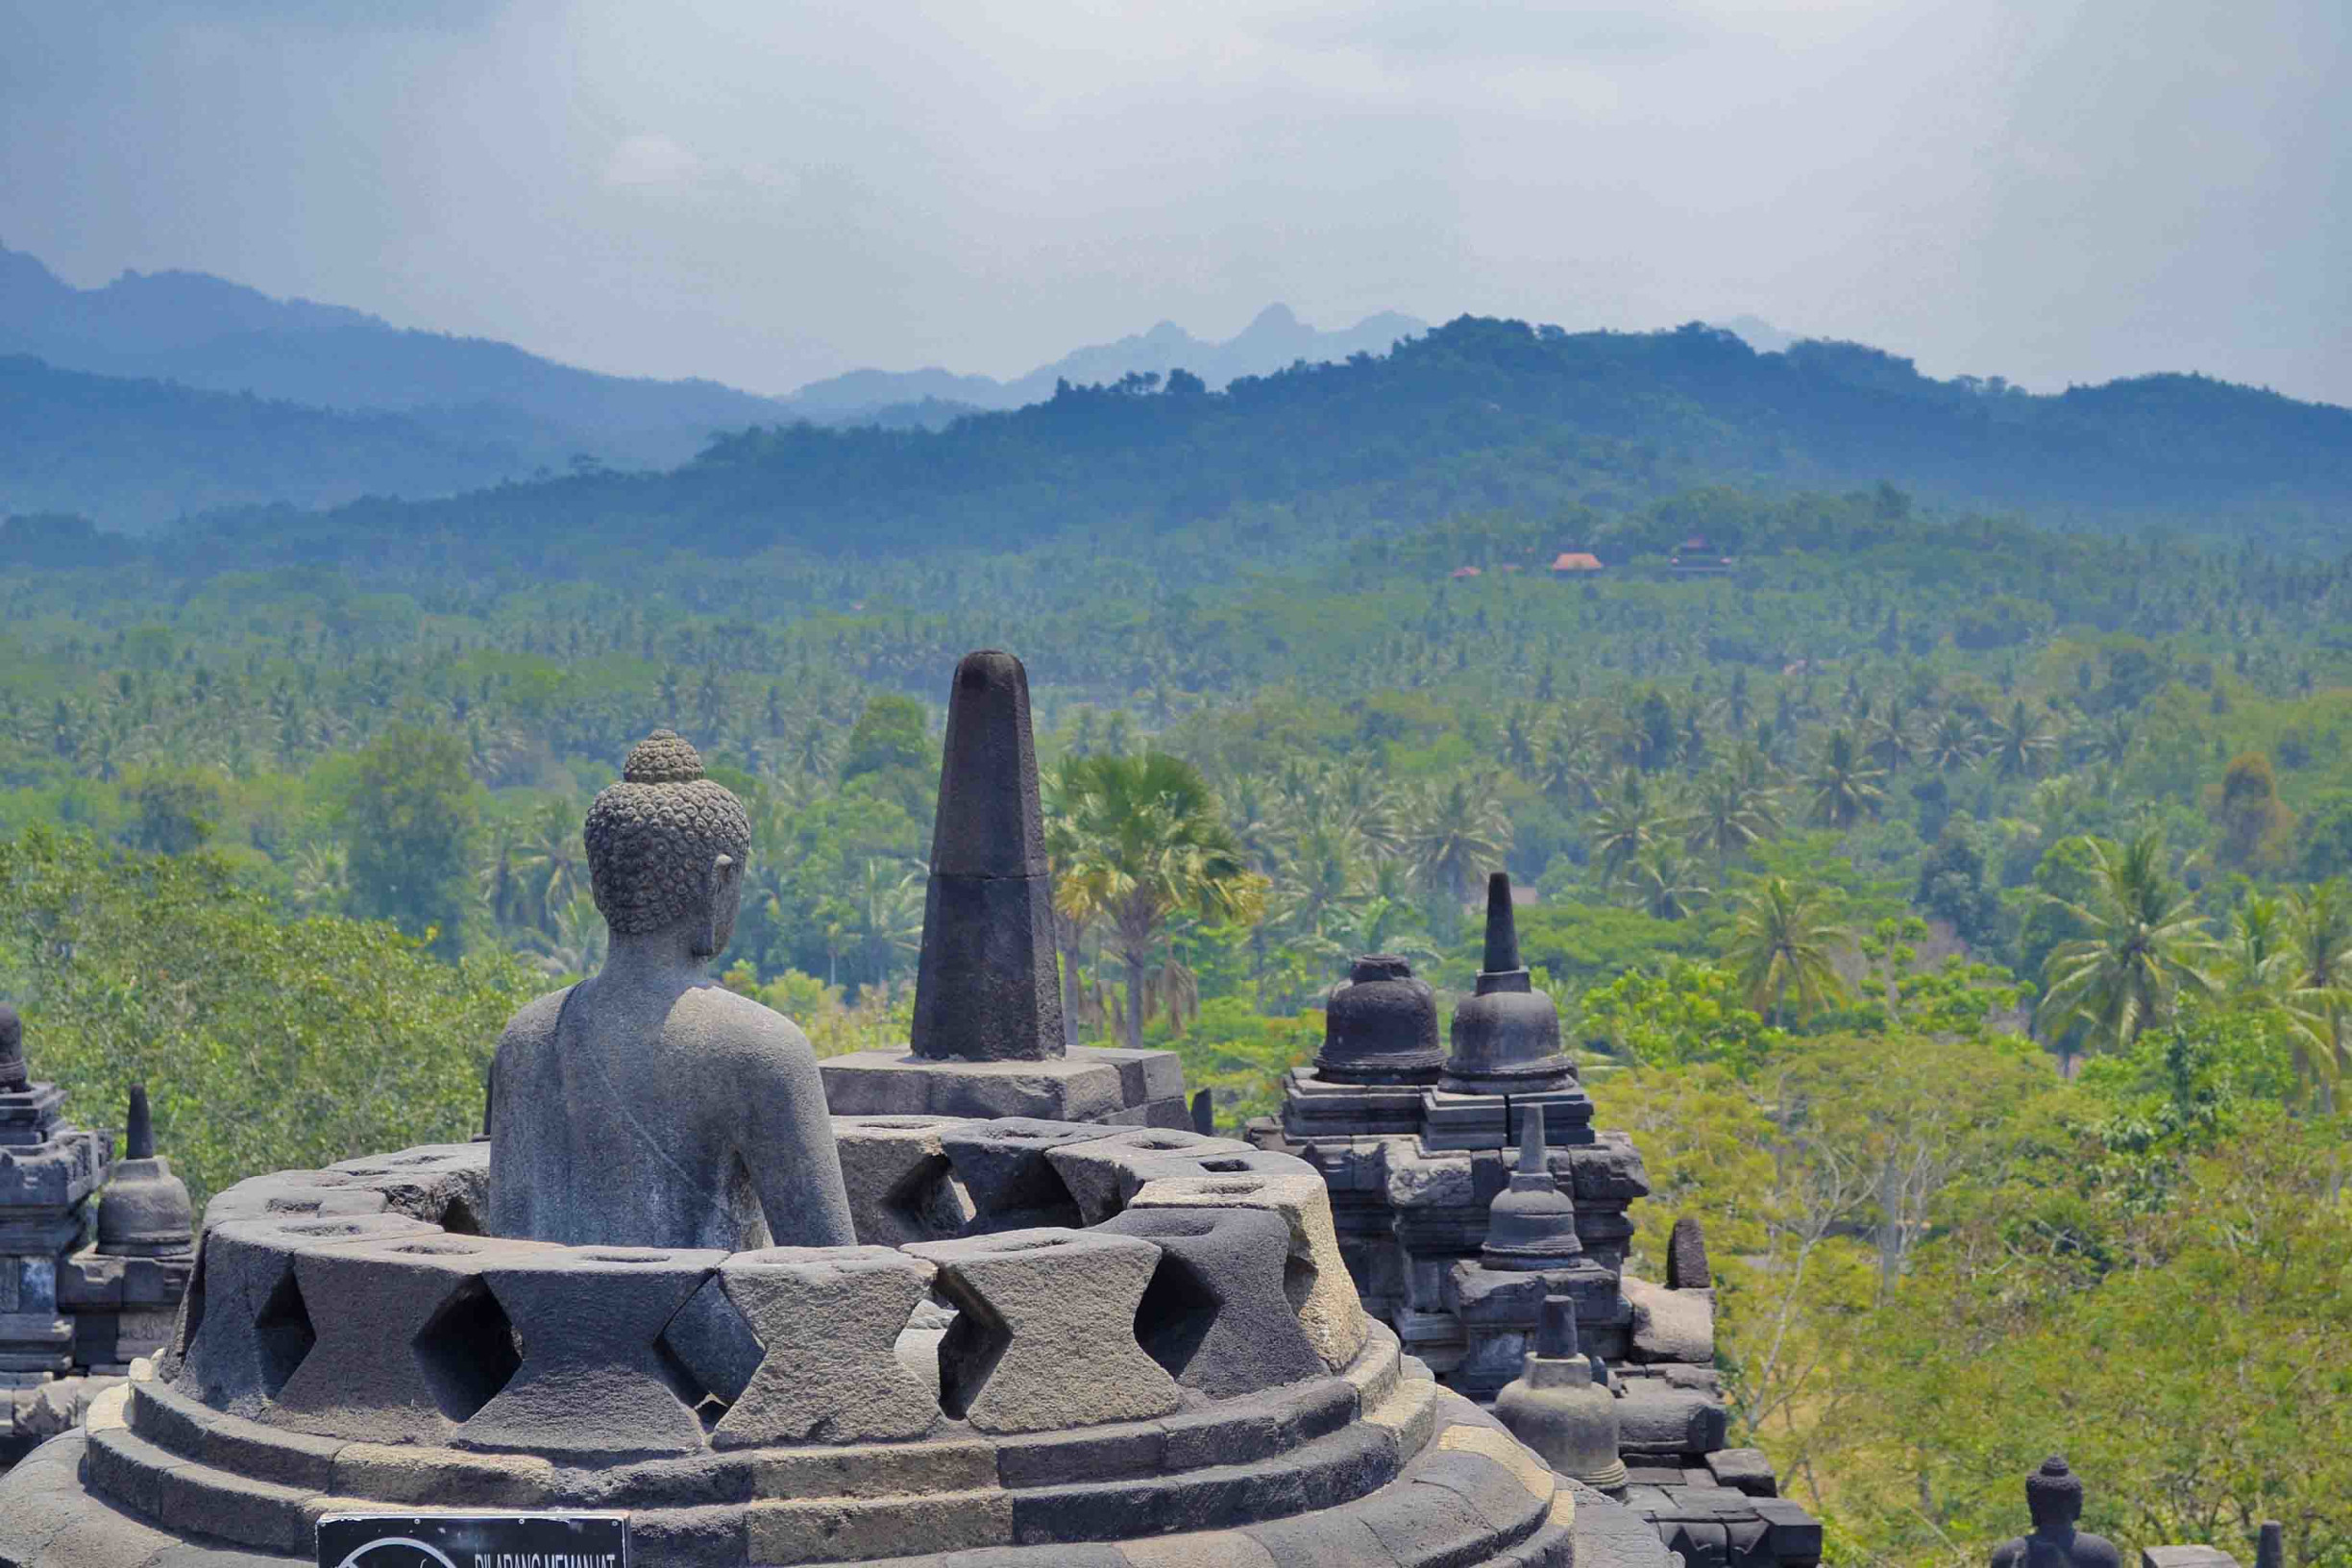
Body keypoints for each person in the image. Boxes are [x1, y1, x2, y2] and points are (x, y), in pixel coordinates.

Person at [488, 730, 854, 1250]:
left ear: (598, 882)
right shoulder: (761, 1049)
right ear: (720, 881)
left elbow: (504, 1244)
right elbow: (833, 1272)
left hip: (548, 1332)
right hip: (702, 1331)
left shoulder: (525, 1038)